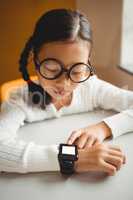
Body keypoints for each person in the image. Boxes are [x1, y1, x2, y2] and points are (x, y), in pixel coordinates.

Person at [0, 8, 132, 176]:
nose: (64, 83)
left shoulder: (92, 88)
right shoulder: (19, 100)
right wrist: (73, 158)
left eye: (77, 71)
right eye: (52, 69)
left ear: (87, 63)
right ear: (36, 62)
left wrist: (104, 128)